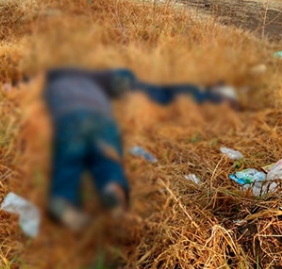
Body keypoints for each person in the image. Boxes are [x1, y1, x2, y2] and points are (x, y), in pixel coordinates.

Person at [43, 67, 239, 231]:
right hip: (100, 118)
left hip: (67, 118)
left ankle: (64, 198)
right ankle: (113, 189)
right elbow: (129, 82)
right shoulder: (95, 78)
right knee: (107, 160)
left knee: (69, 158)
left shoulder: (49, 86)